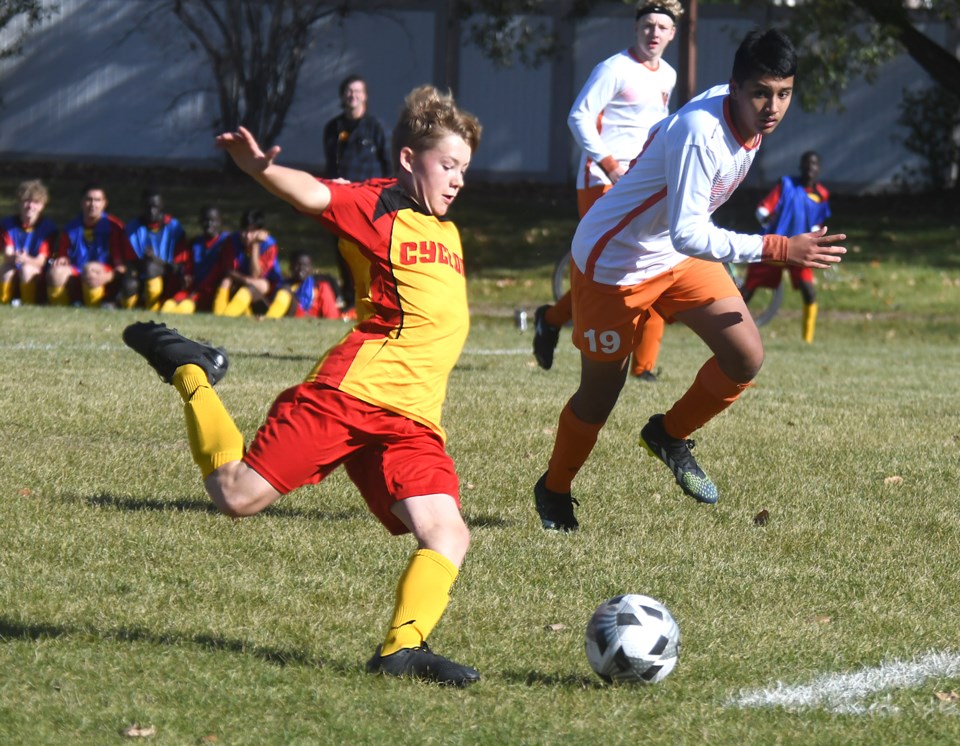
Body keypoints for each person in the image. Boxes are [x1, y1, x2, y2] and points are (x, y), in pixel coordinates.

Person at [122, 84, 483, 686]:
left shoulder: (446, 228)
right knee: (236, 496)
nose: (457, 180)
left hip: (414, 419)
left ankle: (400, 651)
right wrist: (262, 170)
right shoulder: (376, 204)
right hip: (349, 397)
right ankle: (191, 370)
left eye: (464, 169)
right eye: (447, 165)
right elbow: (314, 193)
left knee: (448, 533)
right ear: (406, 159)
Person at [532, 29, 846, 532]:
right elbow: (689, 233)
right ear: (735, 88)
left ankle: (667, 435)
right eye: (762, 92)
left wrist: (651, 170)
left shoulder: (737, 117)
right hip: (615, 265)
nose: (773, 106)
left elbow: (664, 149)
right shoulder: (705, 130)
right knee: (599, 398)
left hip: (672, 256)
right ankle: (553, 490)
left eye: (784, 93)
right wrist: (782, 248)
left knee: (746, 355)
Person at [533, 0, 683, 381]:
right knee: (604, 268)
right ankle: (552, 322)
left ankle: (643, 366)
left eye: (661, 27)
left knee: (651, 262)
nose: (654, 32)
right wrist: (610, 162)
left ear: (672, 34)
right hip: (603, 178)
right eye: (647, 24)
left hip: (643, 181)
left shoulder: (668, 74)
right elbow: (579, 115)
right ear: (636, 29)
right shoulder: (614, 68)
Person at [742, 150, 830, 343]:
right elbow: (762, 210)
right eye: (807, 164)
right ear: (800, 166)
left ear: (819, 169)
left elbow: (817, 222)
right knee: (747, 291)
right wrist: (768, 220)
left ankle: (808, 340)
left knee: (809, 291)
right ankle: (730, 331)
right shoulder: (786, 185)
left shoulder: (821, 194)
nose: (810, 168)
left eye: (814, 164)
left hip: (800, 250)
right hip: (776, 247)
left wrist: (815, 237)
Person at [322, 74, 391, 314]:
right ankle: (350, 298)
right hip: (339, 199)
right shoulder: (333, 128)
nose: (353, 95)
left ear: (365, 96)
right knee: (342, 248)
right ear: (342, 96)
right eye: (349, 91)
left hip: (368, 200)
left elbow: (388, 163)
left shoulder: (376, 128)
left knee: (368, 250)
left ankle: (375, 299)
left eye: (358, 91)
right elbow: (330, 163)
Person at [47, 183, 135, 308]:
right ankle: (60, 313)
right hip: (77, 273)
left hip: (103, 275)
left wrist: (108, 276)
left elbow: (122, 267)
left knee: (91, 270)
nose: (93, 204)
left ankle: (96, 308)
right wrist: (62, 258)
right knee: (56, 273)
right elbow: (62, 256)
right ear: (82, 202)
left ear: (105, 203)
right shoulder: (71, 228)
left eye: (97, 200)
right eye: (89, 199)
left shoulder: (115, 228)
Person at [123, 186, 189, 311]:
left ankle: (152, 310)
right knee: (129, 282)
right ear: (142, 206)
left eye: (156, 207)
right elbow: (129, 262)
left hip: (169, 277)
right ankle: (126, 311)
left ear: (162, 206)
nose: (152, 211)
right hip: (140, 275)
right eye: (148, 207)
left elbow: (178, 266)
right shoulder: (131, 229)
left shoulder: (175, 228)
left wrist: (155, 260)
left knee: (151, 267)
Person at [212, 208, 286, 317]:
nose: (247, 236)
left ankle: (228, 315)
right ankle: (218, 315)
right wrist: (246, 280)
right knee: (226, 281)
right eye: (245, 231)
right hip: (241, 280)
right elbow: (228, 270)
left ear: (261, 232)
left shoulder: (269, 245)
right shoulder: (232, 241)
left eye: (252, 232)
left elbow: (255, 275)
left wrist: (255, 245)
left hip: (264, 289)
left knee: (258, 285)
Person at [160, 205, 232, 315]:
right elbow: (188, 265)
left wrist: (197, 291)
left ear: (220, 222)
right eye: (205, 220)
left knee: (184, 307)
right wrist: (186, 275)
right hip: (193, 288)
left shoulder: (226, 242)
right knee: (168, 305)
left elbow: (220, 269)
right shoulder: (195, 243)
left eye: (213, 221)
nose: (209, 224)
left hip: (211, 291)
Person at [1, 179, 57, 305]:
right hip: (15, 267)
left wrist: (26, 259)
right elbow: (7, 254)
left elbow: (41, 261)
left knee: (27, 269)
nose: (30, 206)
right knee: (6, 269)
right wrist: (15, 257)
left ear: (42, 205)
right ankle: (3, 302)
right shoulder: (8, 225)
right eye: (26, 201)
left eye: (35, 202)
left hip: (36, 272)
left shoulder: (48, 228)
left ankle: (28, 303)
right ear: (19, 202)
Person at [271, 249, 342, 320]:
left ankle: (270, 318)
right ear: (290, 267)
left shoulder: (321, 287)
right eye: (297, 265)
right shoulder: (283, 285)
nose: (301, 269)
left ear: (311, 269)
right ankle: (269, 318)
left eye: (305, 265)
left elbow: (332, 316)